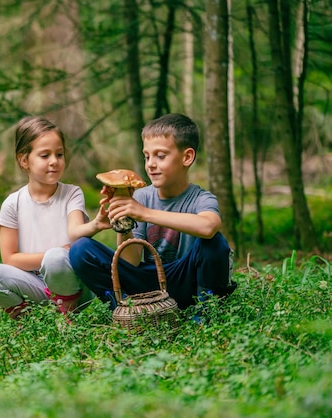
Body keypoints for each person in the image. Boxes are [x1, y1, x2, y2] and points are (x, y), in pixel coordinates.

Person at [69, 113, 236, 322]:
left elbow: (209, 226)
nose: (150, 164)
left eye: (160, 155)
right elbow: (131, 261)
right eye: (147, 156)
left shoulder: (201, 198)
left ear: (187, 157)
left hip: (185, 278)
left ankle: (205, 308)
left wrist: (144, 213)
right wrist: (123, 221)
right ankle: (125, 307)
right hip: (149, 281)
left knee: (215, 243)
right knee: (81, 249)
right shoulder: (141, 196)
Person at [0, 116, 110, 319]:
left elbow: (75, 233)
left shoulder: (72, 194)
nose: (54, 162)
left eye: (59, 154)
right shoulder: (13, 203)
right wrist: (56, 252)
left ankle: (68, 314)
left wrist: (95, 225)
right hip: (35, 286)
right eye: (44, 155)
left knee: (56, 259)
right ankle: (29, 320)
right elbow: (9, 258)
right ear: (24, 160)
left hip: (72, 284)